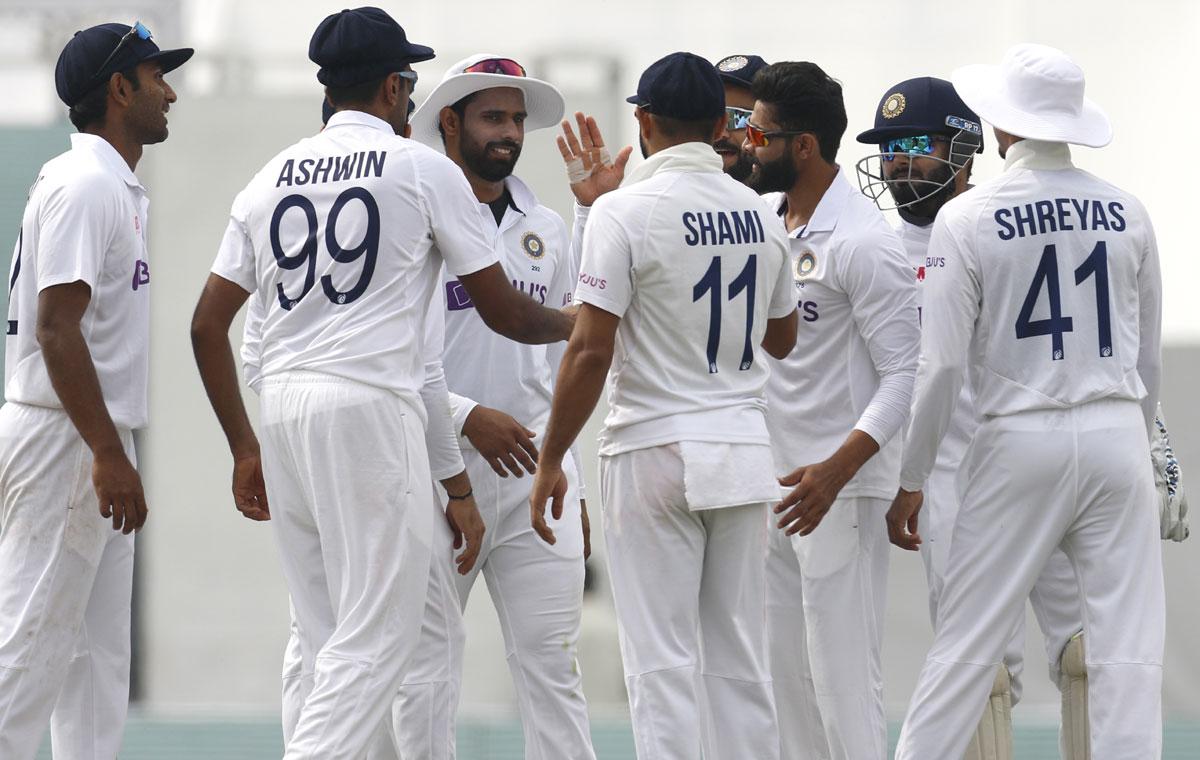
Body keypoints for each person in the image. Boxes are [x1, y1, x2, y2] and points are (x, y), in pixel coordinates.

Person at [189, 8, 572, 759]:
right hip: (370, 407)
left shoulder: (268, 176)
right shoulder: (422, 168)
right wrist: (583, 324)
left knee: (327, 630)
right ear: (396, 87)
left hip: (286, 410)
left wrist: (242, 446)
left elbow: (206, 327)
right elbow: (504, 313)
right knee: (385, 635)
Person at [889, 44, 1164, 760]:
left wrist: (913, 476)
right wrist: (1145, 451)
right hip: (1115, 435)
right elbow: (1146, 358)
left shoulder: (968, 217)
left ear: (1002, 129)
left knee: (967, 648)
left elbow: (942, 365)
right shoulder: (1127, 211)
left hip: (1017, 435)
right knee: (1124, 655)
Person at [530, 51, 797, 760]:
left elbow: (589, 349)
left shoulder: (622, 211)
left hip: (652, 449)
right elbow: (783, 335)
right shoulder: (762, 215)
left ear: (643, 121)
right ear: (720, 125)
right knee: (738, 660)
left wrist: (552, 456)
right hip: (741, 450)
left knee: (662, 663)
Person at [405, 54, 630, 760]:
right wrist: (465, 413)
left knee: (552, 667)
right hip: (440, 469)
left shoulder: (547, 225)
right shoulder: (413, 214)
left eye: (515, 119)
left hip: (536, 473)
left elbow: (578, 342)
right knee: (427, 669)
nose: (508, 133)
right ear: (450, 122)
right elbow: (391, 356)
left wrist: (592, 207)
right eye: (491, 117)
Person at [855, 76, 1084, 760]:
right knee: (978, 669)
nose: (901, 161)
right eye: (891, 146)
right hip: (949, 476)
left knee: (1084, 653)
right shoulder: (872, 247)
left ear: (964, 149)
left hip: (1042, 448)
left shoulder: (1008, 221)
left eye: (919, 144)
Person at [0, 22, 190, 760]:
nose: (168, 90)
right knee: (31, 644)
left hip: (87, 436)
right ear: (118, 90)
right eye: (154, 76)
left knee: (93, 661)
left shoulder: (108, 183)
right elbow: (57, 330)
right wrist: (107, 452)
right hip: (68, 439)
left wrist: (113, 448)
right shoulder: (86, 184)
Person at [745, 61, 920, 760]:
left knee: (844, 686)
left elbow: (906, 376)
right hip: (775, 490)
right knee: (786, 686)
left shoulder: (865, 243)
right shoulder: (759, 220)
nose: (747, 146)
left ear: (804, 146)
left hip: (838, 494)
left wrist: (834, 473)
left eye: (759, 135)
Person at [713, 54, 768, 182]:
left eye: (739, 118)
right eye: (713, 118)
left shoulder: (788, 200)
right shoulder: (673, 195)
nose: (722, 133)